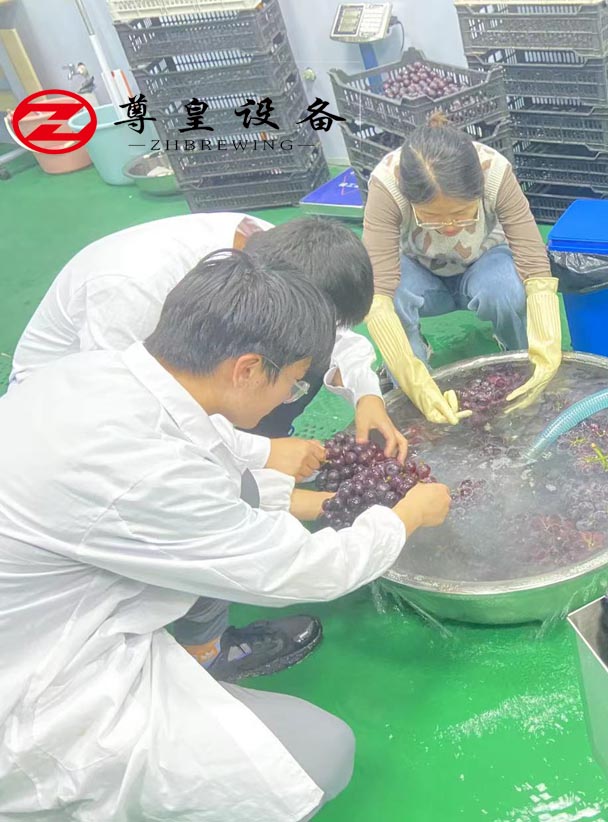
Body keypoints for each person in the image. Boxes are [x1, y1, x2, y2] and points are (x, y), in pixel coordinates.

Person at [0, 250, 451, 821]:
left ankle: (198, 662)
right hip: (38, 694)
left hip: (51, 612)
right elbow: (302, 571)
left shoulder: (94, 374)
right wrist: (405, 516)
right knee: (319, 756)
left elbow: (211, 462)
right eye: (292, 385)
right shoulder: (144, 471)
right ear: (247, 369)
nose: (289, 399)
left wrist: (288, 476)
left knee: (238, 489)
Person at [11, 212, 407, 473]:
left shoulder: (278, 251)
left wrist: (366, 396)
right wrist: (260, 455)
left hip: (191, 374)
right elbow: (133, 411)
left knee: (303, 363)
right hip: (74, 414)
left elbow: (339, 341)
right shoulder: (134, 289)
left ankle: (251, 442)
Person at [362, 114, 563, 424]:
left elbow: (534, 265)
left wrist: (547, 349)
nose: (449, 226)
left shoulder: (494, 173)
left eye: (461, 213)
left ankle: (517, 359)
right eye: (432, 217)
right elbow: (378, 292)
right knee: (392, 296)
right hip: (421, 273)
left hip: (484, 263)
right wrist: (412, 381)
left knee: (506, 288)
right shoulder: (388, 185)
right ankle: (415, 372)